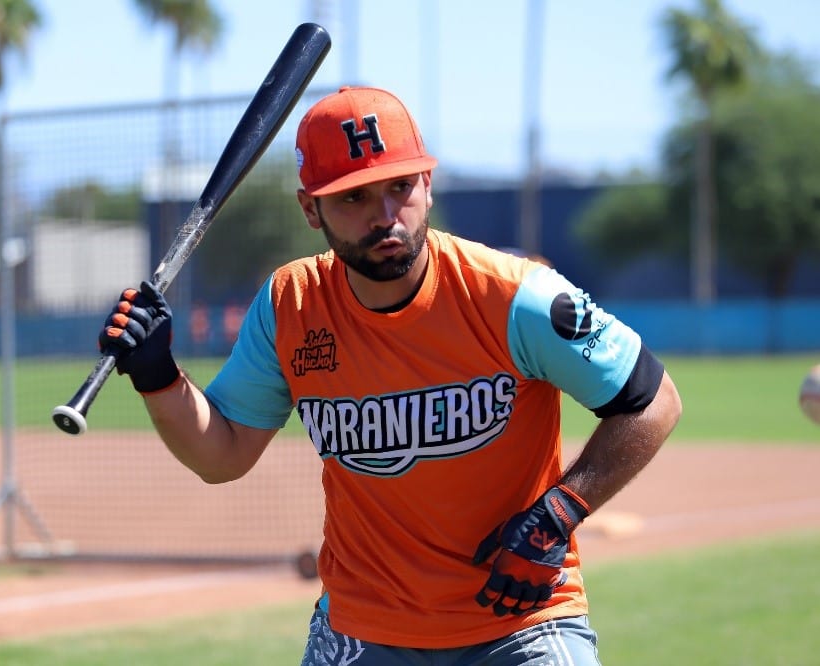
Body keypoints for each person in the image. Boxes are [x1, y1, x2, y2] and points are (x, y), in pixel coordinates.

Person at [99, 86, 682, 665]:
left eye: (399, 187)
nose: (385, 218)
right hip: (361, 627)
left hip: (521, 621)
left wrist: (557, 516)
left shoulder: (513, 297)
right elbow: (221, 456)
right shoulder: (290, 305)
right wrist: (158, 377)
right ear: (310, 209)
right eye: (353, 198)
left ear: (427, 184)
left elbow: (654, 401)